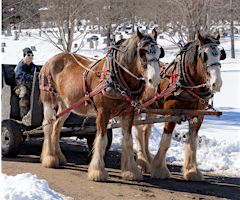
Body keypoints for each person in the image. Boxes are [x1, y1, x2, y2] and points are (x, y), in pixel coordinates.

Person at [15, 47, 41, 118]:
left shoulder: (33, 66)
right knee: (24, 96)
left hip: (32, 86)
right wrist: (32, 77)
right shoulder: (21, 65)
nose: (30, 58)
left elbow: (39, 71)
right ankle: (24, 117)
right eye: (28, 56)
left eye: (32, 56)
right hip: (22, 86)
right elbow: (19, 74)